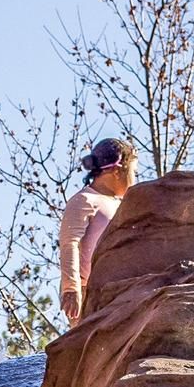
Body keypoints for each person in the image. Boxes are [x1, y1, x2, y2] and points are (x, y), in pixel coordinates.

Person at [58, 137, 137, 325]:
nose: (135, 178)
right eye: (134, 172)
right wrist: (71, 289)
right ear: (117, 171)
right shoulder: (84, 200)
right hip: (90, 295)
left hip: (122, 292)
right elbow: (70, 244)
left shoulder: (123, 204)